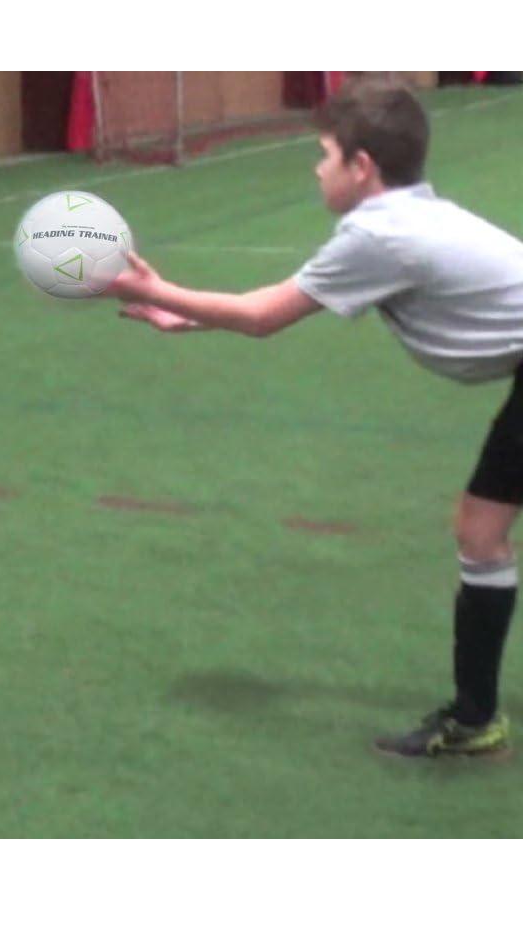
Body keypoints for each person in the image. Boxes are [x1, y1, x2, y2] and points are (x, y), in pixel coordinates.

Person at [107, 78, 523, 758]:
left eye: (325, 155)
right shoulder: (409, 215)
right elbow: (276, 305)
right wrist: (185, 313)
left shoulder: (381, 233)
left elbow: (264, 316)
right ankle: (475, 720)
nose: (316, 167)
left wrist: (154, 289)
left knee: (481, 530)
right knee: (480, 529)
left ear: (362, 169)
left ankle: (475, 719)